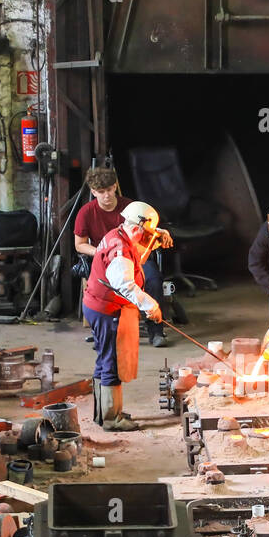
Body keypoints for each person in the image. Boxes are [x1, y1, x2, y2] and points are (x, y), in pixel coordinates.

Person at [82, 201, 169, 431]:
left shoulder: (118, 234)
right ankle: (112, 419)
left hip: (97, 306)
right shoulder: (120, 251)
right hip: (106, 310)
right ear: (138, 228)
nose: (145, 239)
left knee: (104, 358)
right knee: (111, 360)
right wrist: (151, 307)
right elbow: (126, 286)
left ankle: (104, 413)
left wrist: (155, 237)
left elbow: (137, 257)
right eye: (146, 234)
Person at [74, 166, 170, 347]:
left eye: (110, 190)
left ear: (115, 186)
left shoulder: (130, 207)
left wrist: (160, 231)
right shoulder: (86, 213)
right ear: (93, 192)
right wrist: (104, 252)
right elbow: (79, 245)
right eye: (101, 192)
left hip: (135, 256)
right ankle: (106, 330)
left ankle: (156, 330)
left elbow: (145, 228)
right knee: (109, 285)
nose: (107, 195)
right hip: (105, 261)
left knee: (153, 278)